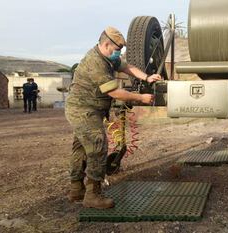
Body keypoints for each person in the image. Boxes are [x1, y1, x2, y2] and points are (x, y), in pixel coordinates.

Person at [65, 26, 161, 209]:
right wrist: (141, 98)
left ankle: (76, 189)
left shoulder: (107, 57)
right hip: (83, 110)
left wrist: (147, 77)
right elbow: (115, 92)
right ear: (107, 44)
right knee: (97, 145)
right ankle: (93, 194)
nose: (119, 54)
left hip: (89, 108)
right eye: (118, 50)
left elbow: (127, 66)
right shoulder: (96, 63)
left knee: (80, 148)